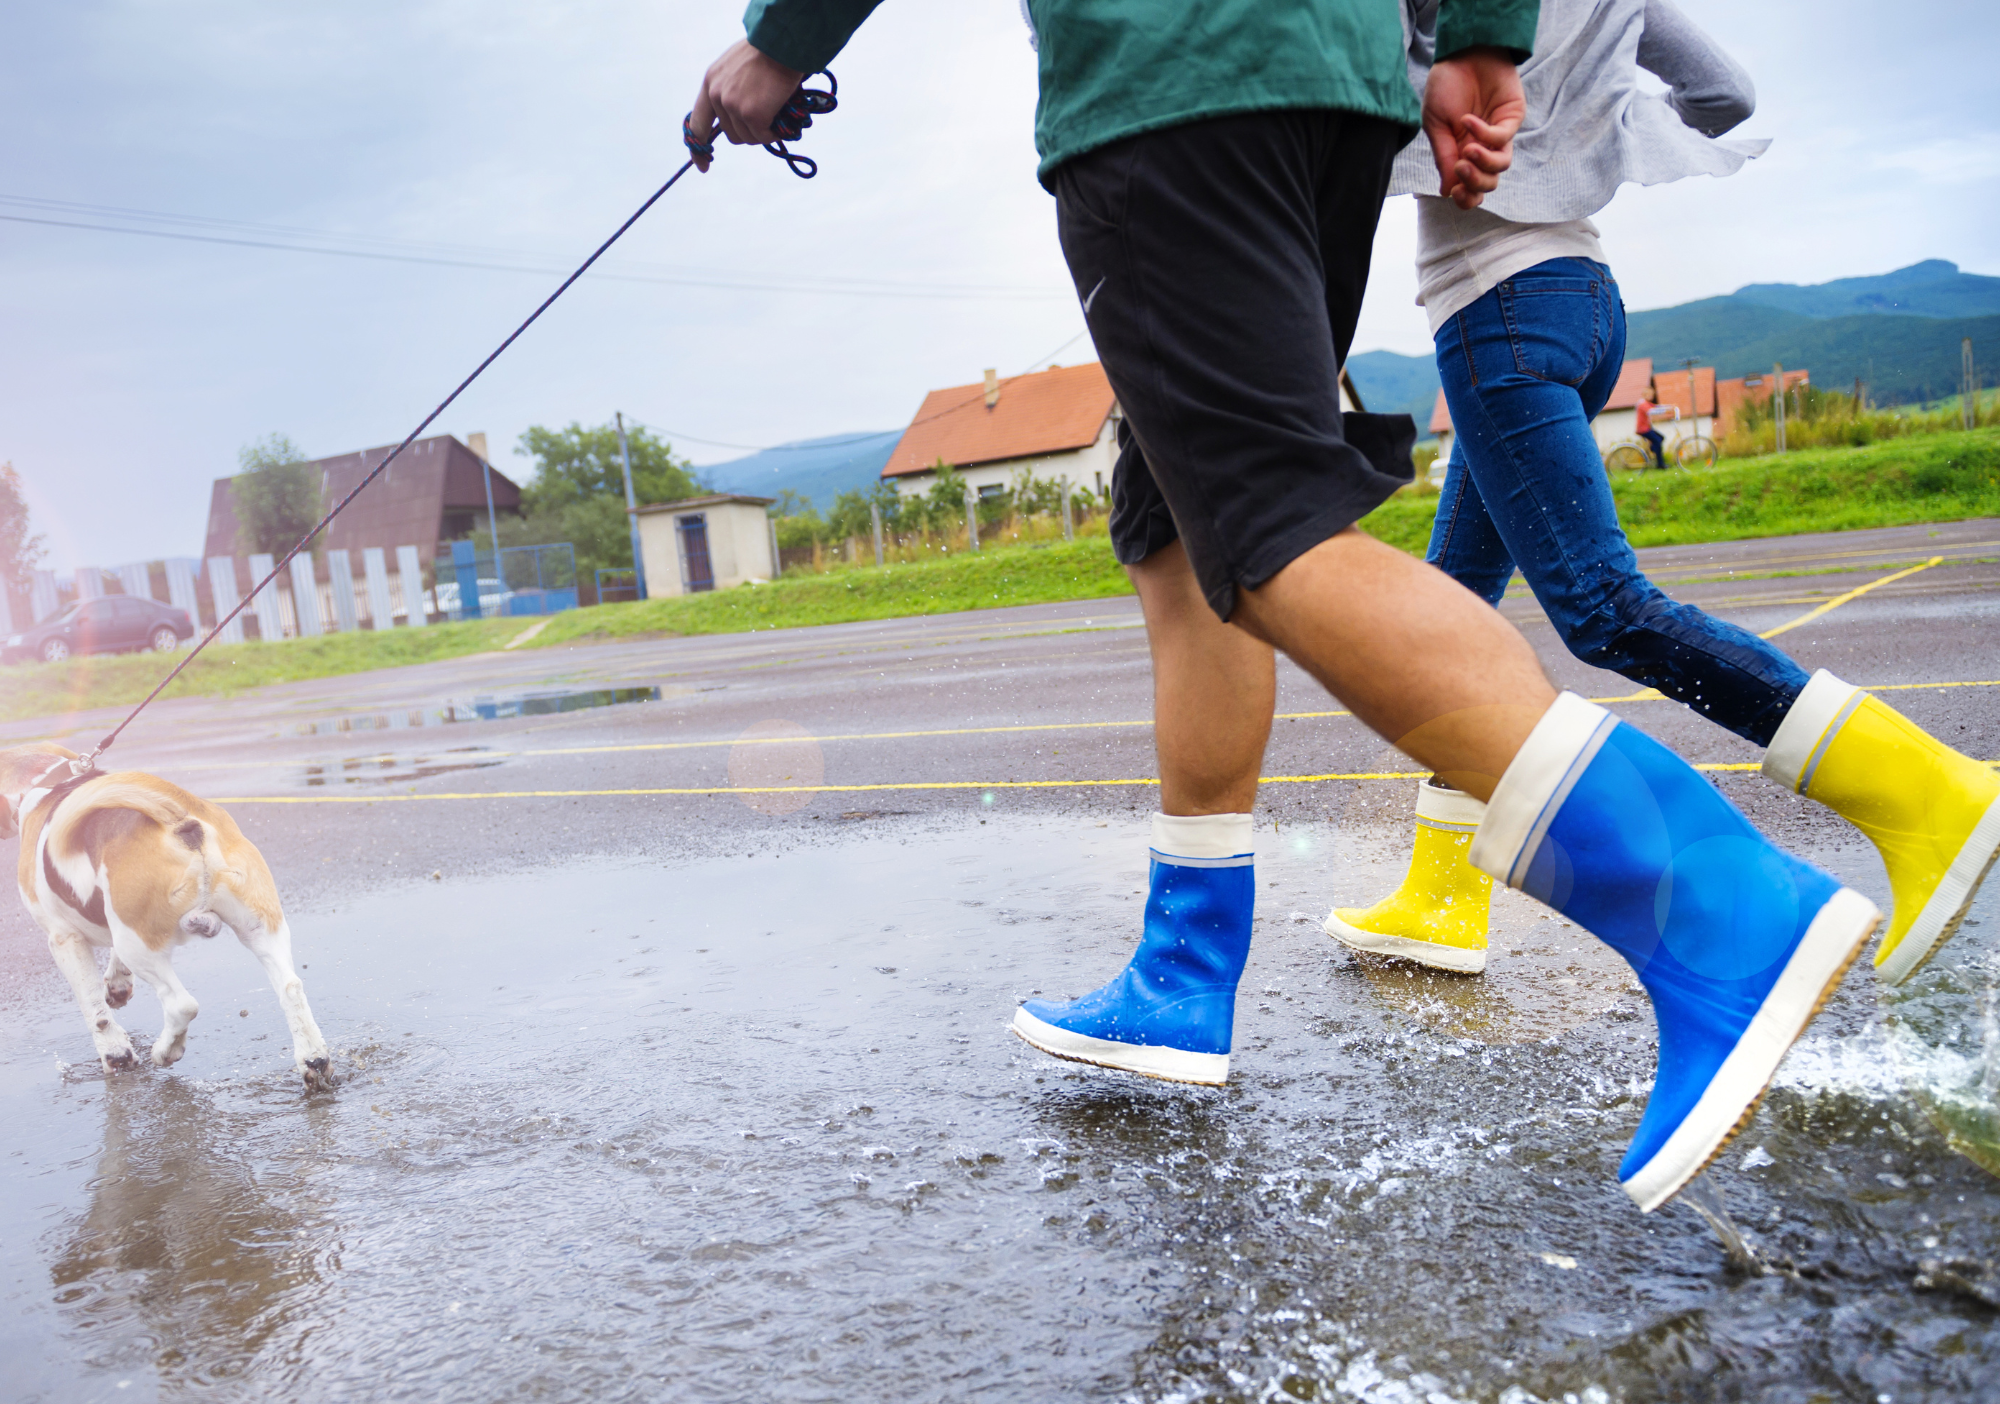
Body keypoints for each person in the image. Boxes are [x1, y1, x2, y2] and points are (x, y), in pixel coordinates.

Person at [686, 1, 1883, 1215]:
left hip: (1176, 73)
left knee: (1268, 530)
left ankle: (1719, 905)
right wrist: (1473, 35)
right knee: (1175, 527)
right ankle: (1183, 970)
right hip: (1332, 87)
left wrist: (784, 38)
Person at [1323, 0, 2000, 996]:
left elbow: (1351, 104)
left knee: (1601, 607)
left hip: (1492, 310)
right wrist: (1576, 124)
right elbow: (1723, 94)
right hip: (1584, 302)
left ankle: (1926, 791)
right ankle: (1440, 895)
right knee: (1452, 614)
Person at [1634, 392, 1673, 468]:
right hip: (1643, 429)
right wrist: (1666, 411)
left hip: (1646, 428)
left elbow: (1657, 407)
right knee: (1657, 441)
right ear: (1644, 395)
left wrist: (1669, 407)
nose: (1650, 397)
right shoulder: (1642, 404)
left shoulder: (1647, 403)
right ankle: (1660, 464)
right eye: (1648, 395)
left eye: (1651, 395)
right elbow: (1652, 411)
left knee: (1661, 438)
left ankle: (1653, 450)